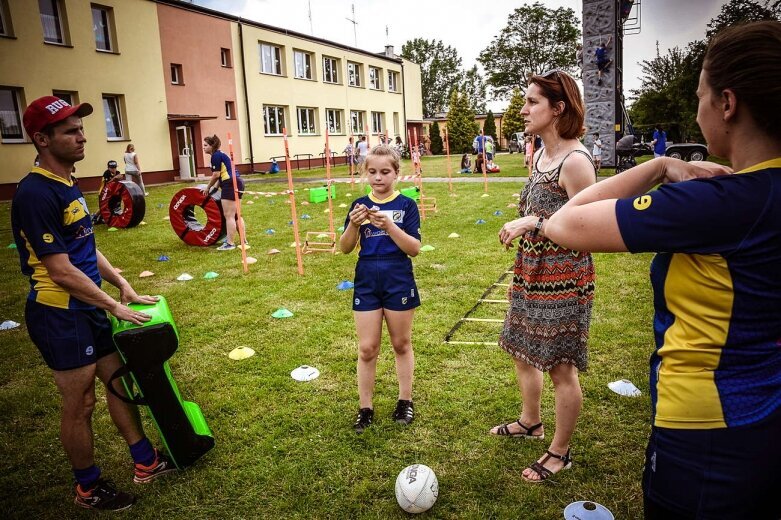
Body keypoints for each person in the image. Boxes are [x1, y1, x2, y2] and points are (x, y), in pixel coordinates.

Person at [545, 21, 781, 519]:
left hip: (705, 436)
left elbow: (566, 222)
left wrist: (657, 167)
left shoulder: (718, 203)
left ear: (727, 103)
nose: (698, 110)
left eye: (700, 95)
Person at [11, 96, 174, 511]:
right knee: (80, 403)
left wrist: (123, 286)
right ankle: (88, 487)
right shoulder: (35, 193)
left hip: (89, 306)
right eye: (70, 131)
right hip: (59, 314)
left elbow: (86, 245)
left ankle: (145, 463)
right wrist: (115, 308)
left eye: (81, 127)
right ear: (41, 138)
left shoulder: (70, 183)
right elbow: (61, 270)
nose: (82, 136)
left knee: (120, 382)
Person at [491, 70, 597, 483]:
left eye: (533, 102)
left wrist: (532, 221)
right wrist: (524, 223)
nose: (523, 109)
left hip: (564, 277)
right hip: (530, 272)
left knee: (560, 368)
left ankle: (559, 451)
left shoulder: (576, 162)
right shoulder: (538, 154)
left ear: (558, 109)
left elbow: (588, 227)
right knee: (521, 350)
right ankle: (530, 422)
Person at [339, 144, 421, 434]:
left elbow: (414, 248)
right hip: (367, 280)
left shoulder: (407, 205)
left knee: (401, 344)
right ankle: (365, 408)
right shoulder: (359, 206)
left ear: (397, 173)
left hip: (398, 278)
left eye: (385, 172)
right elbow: (345, 248)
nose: (378, 178)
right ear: (365, 174)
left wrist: (390, 227)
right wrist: (352, 224)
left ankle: (405, 400)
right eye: (372, 172)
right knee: (367, 348)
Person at [201, 135, 248, 251]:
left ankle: (230, 244)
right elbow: (222, 174)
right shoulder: (221, 154)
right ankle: (243, 241)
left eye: (206, 145)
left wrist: (207, 188)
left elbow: (216, 175)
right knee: (237, 214)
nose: (204, 147)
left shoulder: (215, 156)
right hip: (238, 182)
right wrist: (216, 189)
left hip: (230, 184)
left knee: (229, 215)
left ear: (212, 146)